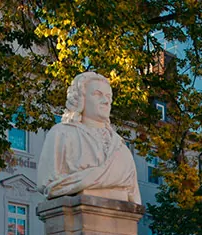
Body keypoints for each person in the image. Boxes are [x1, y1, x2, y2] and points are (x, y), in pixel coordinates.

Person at [36, 72, 141, 204]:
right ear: (81, 99)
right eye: (98, 94)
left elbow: (134, 196)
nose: (106, 101)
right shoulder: (61, 135)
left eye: (108, 96)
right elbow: (46, 183)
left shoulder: (121, 148)